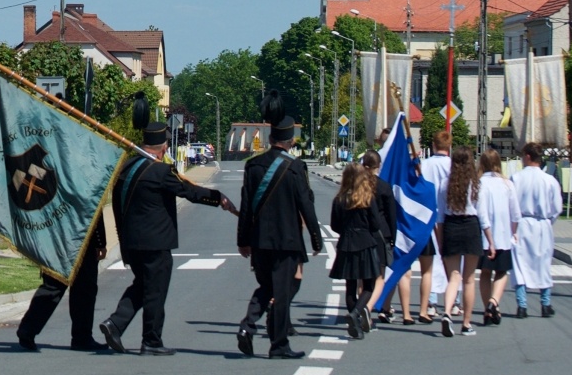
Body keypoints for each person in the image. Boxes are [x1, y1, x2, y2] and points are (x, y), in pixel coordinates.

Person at [103, 121, 234, 356]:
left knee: (142, 286)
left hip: (131, 242)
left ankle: (115, 324)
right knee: (156, 292)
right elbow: (190, 192)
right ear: (163, 148)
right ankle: (151, 341)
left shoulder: (125, 168)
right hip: (155, 243)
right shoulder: (161, 171)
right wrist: (217, 198)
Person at [235, 95, 322, 359]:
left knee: (266, 288)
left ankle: (248, 327)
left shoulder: (253, 166)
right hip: (287, 241)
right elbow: (306, 205)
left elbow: (247, 206)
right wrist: (317, 239)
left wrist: (243, 240)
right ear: (291, 141)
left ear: (272, 138)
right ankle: (279, 345)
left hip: (260, 240)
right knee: (281, 293)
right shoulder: (295, 167)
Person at [16, 217, 106, 352]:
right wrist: (100, 242)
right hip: (82, 236)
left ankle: (28, 329)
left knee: (53, 286)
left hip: (55, 235)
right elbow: (93, 207)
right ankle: (82, 338)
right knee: (83, 289)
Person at [329, 164, 384, 340]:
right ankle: (356, 314)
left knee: (350, 286)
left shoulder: (339, 199)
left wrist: (346, 231)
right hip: (365, 243)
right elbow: (376, 224)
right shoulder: (368, 198)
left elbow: (334, 225)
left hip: (346, 243)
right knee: (369, 285)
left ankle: (354, 318)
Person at [435, 145, 484, 338]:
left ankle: (447, 312)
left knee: (454, 277)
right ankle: (466, 323)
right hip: (471, 226)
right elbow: (483, 215)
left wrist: (440, 240)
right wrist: (489, 238)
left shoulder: (445, 183)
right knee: (469, 279)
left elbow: (439, 215)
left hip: (451, 226)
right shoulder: (476, 183)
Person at [406, 127, 453, 325]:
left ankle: (431, 301)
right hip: (449, 215)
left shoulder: (424, 165)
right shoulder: (453, 166)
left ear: (433, 145)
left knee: (431, 262)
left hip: (426, 215)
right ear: (449, 146)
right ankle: (453, 301)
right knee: (450, 261)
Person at [511, 142, 562, 318]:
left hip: (522, 223)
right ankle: (545, 304)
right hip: (542, 224)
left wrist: (513, 228)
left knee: (519, 265)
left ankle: (522, 306)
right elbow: (557, 208)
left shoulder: (516, 178)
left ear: (527, 156)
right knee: (543, 264)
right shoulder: (550, 181)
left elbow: (512, 205)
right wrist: (548, 222)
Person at [476, 147, 520, 326]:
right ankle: (494, 302)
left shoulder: (479, 183)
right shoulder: (507, 184)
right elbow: (516, 213)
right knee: (502, 272)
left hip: (484, 236)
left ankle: (488, 306)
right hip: (502, 236)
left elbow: (479, 211)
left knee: (485, 273)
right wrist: (514, 231)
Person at [361, 149, 398, 323]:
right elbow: (392, 215)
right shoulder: (384, 186)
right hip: (381, 235)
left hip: (361, 234)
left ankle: (361, 307)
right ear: (379, 166)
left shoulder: (357, 186)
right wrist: (393, 239)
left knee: (363, 277)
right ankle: (368, 309)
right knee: (379, 277)